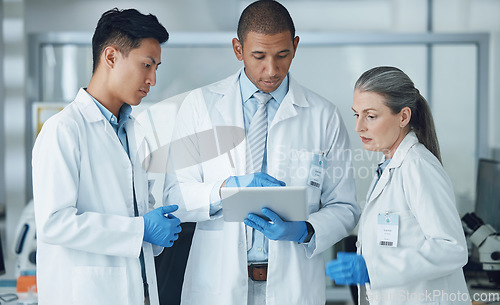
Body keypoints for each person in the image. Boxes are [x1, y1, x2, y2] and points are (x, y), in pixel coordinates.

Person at [162, 1, 360, 304]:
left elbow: (345, 207)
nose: (272, 69)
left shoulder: (323, 116)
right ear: (238, 50)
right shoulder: (200, 107)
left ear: (295, 46)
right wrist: (227, 190)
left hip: (293, 287)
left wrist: (305, 230)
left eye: (282, 55)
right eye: (259, 56)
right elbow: (174, 196)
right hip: (217, 286)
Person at [32, 8, 182, 305]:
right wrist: (141, 229)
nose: (152, 79)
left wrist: (154, 229)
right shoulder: (63, 130)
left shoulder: (134, 132)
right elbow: (55, 223)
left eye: (157, 68)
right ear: (111, 57)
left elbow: (135, 212)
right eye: (146, 65)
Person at [326, 66, 471, 304]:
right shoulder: (390, 165)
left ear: (403, 117)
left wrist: (373, 269)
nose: (359, 127)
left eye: (370, 116)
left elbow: (452, 248)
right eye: (356, 114)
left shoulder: (418, 166)